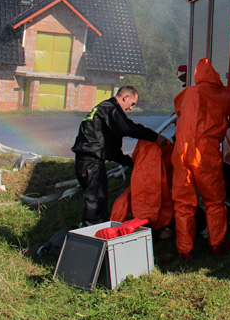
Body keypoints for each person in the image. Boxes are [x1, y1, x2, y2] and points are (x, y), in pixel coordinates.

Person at [171, 58, 230, 261]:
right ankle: (216, 244)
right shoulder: (222, 96)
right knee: (214, 201)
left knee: (182, 203)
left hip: (180, 152)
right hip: (205, 153)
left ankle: (185, 250)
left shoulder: (186, 93)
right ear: (215, 76)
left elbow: (178, 111)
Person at [72, 86, 169, 227]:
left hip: (86, 160)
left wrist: (133, 164)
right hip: (90, 161)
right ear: (125, 98)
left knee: (96, 199)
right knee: (96, 200)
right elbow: (128, 128)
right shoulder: (110, 108)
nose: (130, 109)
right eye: (132, 104)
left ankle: (92, 230)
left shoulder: (103, 110)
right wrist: (155, 137)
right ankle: (92, 234)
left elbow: (112, 150)